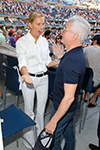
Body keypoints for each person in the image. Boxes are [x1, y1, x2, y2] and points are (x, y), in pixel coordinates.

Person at [45, 16, 90, 150]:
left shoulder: (73, 60)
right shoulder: (73, 54)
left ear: (74, 36)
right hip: (68, 108)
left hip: (63, 106)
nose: (62, 32)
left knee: (52, 140)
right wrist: (60, 57)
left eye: (65, 29)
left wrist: (53, 121)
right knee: (69, 136)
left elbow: (69, 97)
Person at [16, 11, 59, 149]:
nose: (42, 27)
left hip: (44, 78)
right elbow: (22, 63)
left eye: (43, 24)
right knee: (29, 111)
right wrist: (26, 74)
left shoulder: (44, 41)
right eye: (38, 24)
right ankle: (28, 140)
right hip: (29, 78)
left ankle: (41, 139)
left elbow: (47, 62)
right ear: (30, 24)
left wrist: (60, 59)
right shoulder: (22, 42)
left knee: (41, 112)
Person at [84, 35, 100, 107]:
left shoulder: (85, 49)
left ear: (95, 41)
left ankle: (86, 96)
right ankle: (93, 99)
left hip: (82, 81)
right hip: (94, 82)